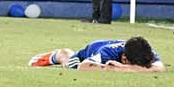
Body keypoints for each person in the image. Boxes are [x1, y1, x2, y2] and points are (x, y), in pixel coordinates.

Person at [28, 36, 162, 72]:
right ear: (124, 58)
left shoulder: (145, 52)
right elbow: (84, 66)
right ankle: (61, 54)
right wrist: (111, 68)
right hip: (86, 53)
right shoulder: (107, 53)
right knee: (70, 64)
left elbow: (160, 67)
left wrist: (123, 68)